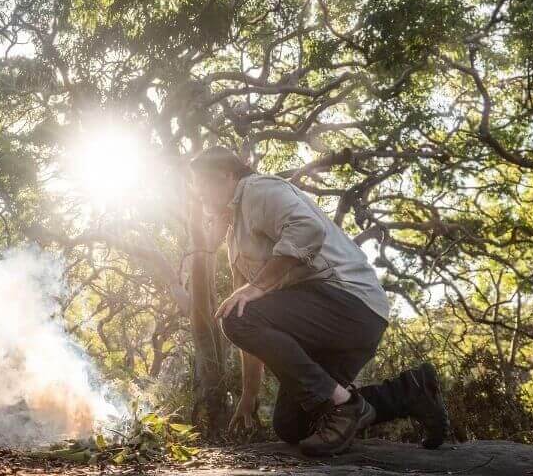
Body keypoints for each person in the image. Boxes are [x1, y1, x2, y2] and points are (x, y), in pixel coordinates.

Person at [190, 147, 451, 457]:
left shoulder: (258, 189)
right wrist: (249, 395)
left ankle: (344, 404)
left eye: (202, 187)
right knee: (292, 426)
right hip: (333, 325)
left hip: (350, 305)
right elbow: (247, 313)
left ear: (226, 176)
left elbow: (307, 229)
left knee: (234, 316)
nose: (200, 197)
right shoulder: (236, 239)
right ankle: (410, 392)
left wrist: (257, 286)